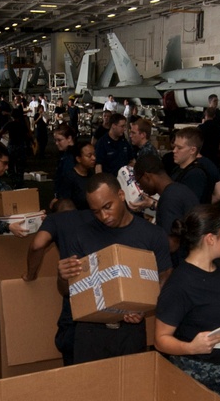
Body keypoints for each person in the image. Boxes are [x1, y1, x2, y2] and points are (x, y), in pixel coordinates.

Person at [57, 173, 172, 364]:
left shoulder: (152, 235)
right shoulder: (81, 236)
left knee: (130, 389)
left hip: (130, 332)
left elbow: (165, 275)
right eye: (95, 211)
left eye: (107, 207)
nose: (103, 216)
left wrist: (144, 305)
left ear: (121, 195)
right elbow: (66, 291)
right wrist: (62, 276)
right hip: (90, 332)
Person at [155, 205, 220, 401]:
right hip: (200, 374)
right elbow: (161, 339)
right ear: (210, 238)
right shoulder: (180, 284)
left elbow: (219, 307)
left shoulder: (217, 269)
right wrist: (190, 347)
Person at [24, 201, 93, 365]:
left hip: (76, 288)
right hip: (103, 284)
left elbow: (37, 245)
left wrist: (30, 274)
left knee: (70, 344)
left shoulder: (55, 220)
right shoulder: (92, 213)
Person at [133, 153, 198, 263]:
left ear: (147, 176)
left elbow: (172, 244)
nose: (141, 188)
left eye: (139, 182)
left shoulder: (169, 199)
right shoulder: (180, 190)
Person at [172, 126, 220, 204]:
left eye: (179, 148)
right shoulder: (179, 168)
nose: (174, 150)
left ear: (192, 150)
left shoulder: (195, 174)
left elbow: (187, 206)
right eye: (174, 146)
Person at [54, 141, 96, 210]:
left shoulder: (91, 174)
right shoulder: (69, 178)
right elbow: (64, 204)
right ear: (78, 159)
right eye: (89, 156)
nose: (94, 158)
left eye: (94, 154)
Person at [199, 107, 220, 171]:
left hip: (203, 154)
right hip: (214, 154)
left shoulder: (200, 128)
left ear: (205, 115)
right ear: (214, 116)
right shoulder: (218, 128)